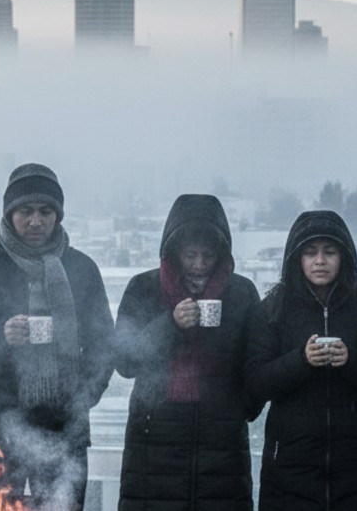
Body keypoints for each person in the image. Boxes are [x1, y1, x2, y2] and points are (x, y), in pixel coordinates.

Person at [0, 163, 114, 510]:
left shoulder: (81, 269)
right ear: (9, 213)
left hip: (64, 430)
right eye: (26, 211)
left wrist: (84, 398)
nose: (36, 221)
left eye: (45, 212)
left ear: (58, 215)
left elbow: (104, 344)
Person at [113, 194, 261, 511]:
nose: (199, 264)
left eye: (208, 256)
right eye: (191, 255)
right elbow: (124, 360)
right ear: (173, 252)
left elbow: (257, 363)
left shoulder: (241, 293)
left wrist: (238, 410)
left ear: (222, 255)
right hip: (153, 444)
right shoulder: (144, 288)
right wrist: (170, 324)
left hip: (222, 450)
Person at [245, 210, 357, 511]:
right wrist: (301, 360)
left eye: (329, 252)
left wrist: (351, 360)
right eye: (310, 252)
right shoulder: (273, 310)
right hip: (290, 465)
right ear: (296, 258)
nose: (320, 261)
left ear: (344, 257)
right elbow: (256, 382)